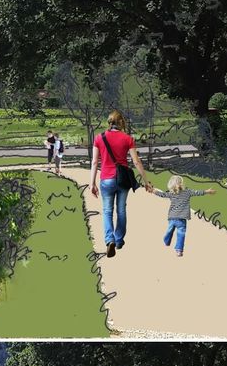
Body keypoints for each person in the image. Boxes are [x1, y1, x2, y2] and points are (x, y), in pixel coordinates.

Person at [90, 109, 151, 258]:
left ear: (109, 122)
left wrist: (92, 183)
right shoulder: (127, 138)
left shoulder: (99, 138)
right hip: (123, 180)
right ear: (121, 122)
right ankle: (118, 240)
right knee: (121, 210)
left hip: (106, 179)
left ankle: (109, 239)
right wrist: (145, 181)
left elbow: (94, 162)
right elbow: (136, 161)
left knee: (107, 211)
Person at [153, 175, 215, 257]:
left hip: (172, 217)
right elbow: (197, 193)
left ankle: (166, 241)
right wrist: (207, 191)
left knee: (169, 230)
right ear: (181, 183)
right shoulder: (187, 191)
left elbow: (162, 194)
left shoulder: (171, 193)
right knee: (181, 234)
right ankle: (179, 251)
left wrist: (153, 191)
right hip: (182, 219)